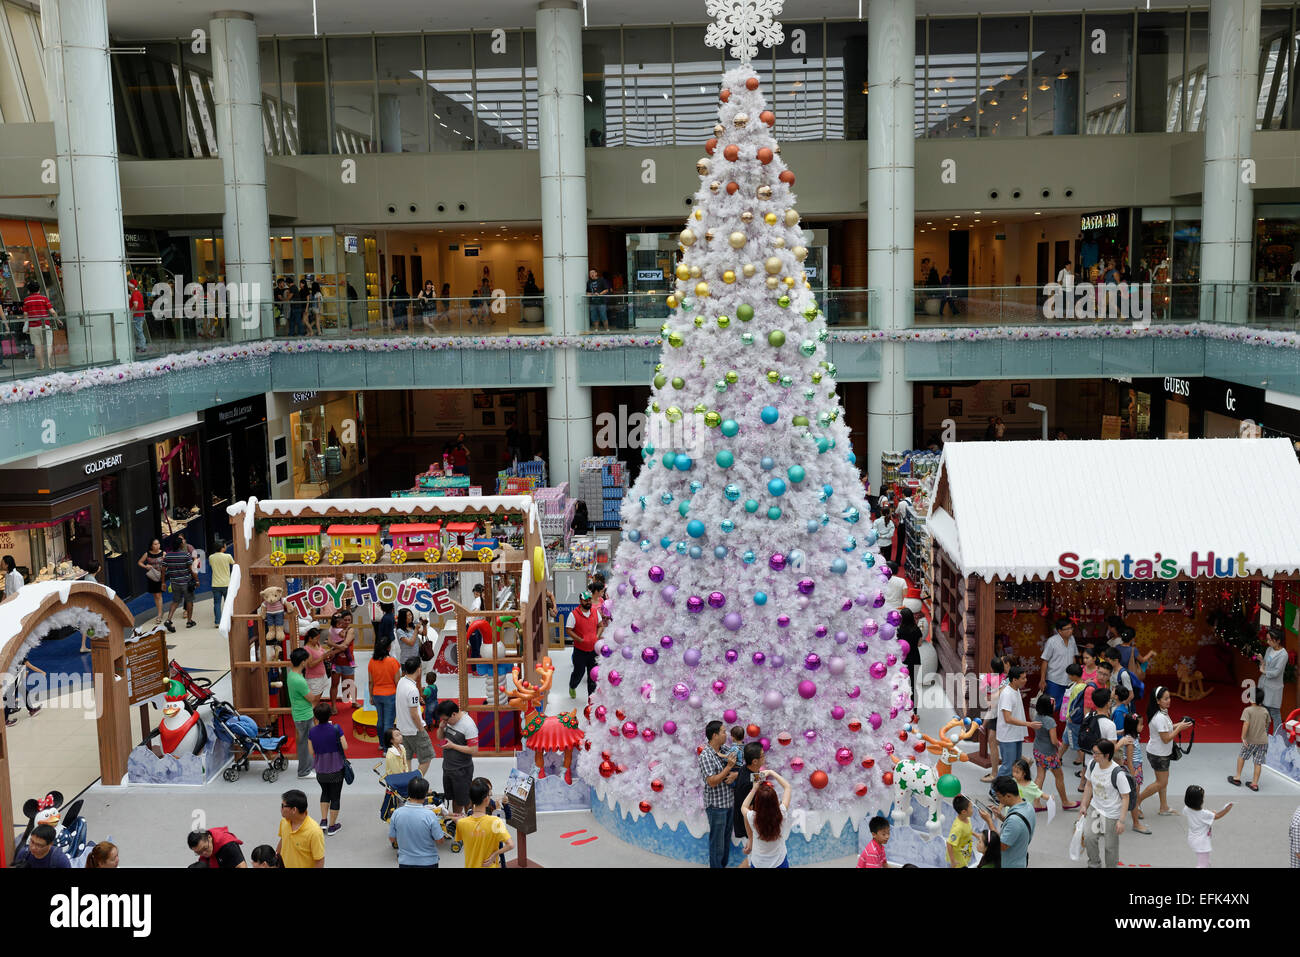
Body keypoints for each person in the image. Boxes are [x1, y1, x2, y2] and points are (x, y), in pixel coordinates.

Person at [1137, 686, 1193, 817]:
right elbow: (1166, 738)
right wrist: (1179, 728)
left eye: (1169, 698)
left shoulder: (1162, 712)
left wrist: (1179, 724)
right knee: (1161, 782)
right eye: (1165, 698)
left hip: (1159, 752)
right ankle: (1137, 801)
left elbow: (1166, 728)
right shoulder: (1160, 717)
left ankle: (1164, 807)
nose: (1169, 701)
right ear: (1158, 700)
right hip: (1159, 754)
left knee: (1162, 781)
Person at [1080, 739, 1129, 868]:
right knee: (1089, 837)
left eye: (1097, 753)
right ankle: (1094, 864)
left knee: (1110, 846)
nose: (1093, 755)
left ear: (1107, 755)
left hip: (1111, 813)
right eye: (1093, 752)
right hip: (1095, 807)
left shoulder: (1117, 773)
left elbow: (1125, 797)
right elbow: (1089, 785)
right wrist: (1084, 804)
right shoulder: (1092, 764)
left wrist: (1122, 821)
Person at [699, 719, 739, 868]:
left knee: (726, 840)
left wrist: (735, 774)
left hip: (729, 803)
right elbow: (712, 782)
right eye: (723, 732)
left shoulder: (724, 750)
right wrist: (728, 768)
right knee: (717, 844)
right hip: (716, 806)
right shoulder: (706, 756)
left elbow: (738, 766)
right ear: (715, 735)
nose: (726, 734)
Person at [993, 667, 1039, 796]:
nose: (1026, 680)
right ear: (1014, 680)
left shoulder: (1016, 689)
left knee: (1015, 766)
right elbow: (1007, 718)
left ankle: (1008, 792)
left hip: (1015, 735)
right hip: (1008, 736)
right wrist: (1028, 724)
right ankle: (994, 791)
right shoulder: (1007, 694)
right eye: (1023, 678)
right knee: (1008, 767)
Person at [306, 701, 348, 835]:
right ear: (330, 715)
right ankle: (332, 826)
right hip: (336, 769)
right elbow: (345, 746)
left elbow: (311, 752)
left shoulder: (312, 732)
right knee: (335, 797)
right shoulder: (336, 729)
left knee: (325, 793)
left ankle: (323, 820)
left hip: (320, 769)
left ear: (316, 716)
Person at [454, 778, 514, 868]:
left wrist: (505, 806)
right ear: (486, 798)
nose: (490, 795)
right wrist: (495, 854)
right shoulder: (495, 821)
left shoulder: (461, 823)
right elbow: (510, 844)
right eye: (489, 793)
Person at [1032, 693, 1077, 811]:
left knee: (1040, 776)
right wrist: (1059, 744)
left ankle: (1036, 802)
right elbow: (1053, 740)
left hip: (1038, 749)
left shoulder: (1037, 717)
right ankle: (1065, 801)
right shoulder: (1050, 721)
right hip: (1049, 754)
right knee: (1059, 777)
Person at [389, 774, 444, 867]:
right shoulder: (430, 815)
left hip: (405, 862)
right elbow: (440, 841)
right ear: (425, 794)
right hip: (428, 862)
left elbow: (392, 838)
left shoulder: (397, 813)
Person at [741, 769, 793, 868]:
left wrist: (754, 789)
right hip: (779, 862)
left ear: (758, 802)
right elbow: (787, 787)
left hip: (758, 863)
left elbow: (744, 806)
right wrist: (771, 772)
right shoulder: (782, 813)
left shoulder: (753, 817)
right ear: (775, 800)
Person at [435, 698, 479, 815]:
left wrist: (453, 746)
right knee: (455, 798)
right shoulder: (448, 722)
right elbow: (440, 738)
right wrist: (441, 727)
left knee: (464, 798)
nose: (445, 722)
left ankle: (470, 821)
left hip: (462, 770)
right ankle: (458, 823)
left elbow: (474, 750)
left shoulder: (468, 725)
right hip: (448, 767)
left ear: (454, 714)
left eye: (446, 719)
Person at [1229, 687, 1270, 791]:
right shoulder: (1265, 711)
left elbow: (1246, 724)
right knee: (1258, 762)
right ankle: (1254, 784)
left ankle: (1237, 777)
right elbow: (1266, 724)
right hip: (1263, 741)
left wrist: (1243, 737)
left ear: (1251, 699)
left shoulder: (1248, 710)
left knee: (1242, 756)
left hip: (1250, 740)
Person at [397, 656, 432, 775]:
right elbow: (414, 714)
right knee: (426, 758)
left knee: (407, 759)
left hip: (402, 728)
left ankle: (408, 783)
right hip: (414, 730)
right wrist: (421, 729)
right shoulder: (412, 690)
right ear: (419, 670)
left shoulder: (402, 681)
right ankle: (417, 784)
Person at [1183, 785, 1232, 868]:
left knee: (1205, 861)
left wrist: (1209, 812)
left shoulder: (1186, 809)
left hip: (1193, 838)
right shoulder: (1204, 814)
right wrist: (1227, 809)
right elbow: (1217, 816)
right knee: (1202, 865)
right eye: (1203, 797)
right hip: (1201, 842)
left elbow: (1199, 814)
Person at [992, 773, 1035, 868]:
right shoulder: (1028, 806)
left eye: (999, 796)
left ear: (1008, 796)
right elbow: (1018, 828)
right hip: (1021, 859)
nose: (999, 800)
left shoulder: (1014, 821)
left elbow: (1002, 846)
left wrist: (989, 822)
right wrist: (1001, 816)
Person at [287, 647, 317, 779]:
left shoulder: (292, 674)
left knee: (304, 742)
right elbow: (311, 698)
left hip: (299, 714)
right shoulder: (299, 680)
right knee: (305, 743)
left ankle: (307, 767)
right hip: (304, 715)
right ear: (303, 662)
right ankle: (304, 771)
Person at [276, 789, 325, 868]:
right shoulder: (284, 822)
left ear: (294, 810)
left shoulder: (314, 832)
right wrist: (276, 858)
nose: (281, 809)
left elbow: (319, 860)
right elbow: (283, 840)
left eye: (283, 806)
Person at [565, 590, 601, 698]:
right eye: (586, 600)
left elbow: (601, 625)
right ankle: (572, 686)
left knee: (593, 675)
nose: (588, 602)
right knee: (578, 673)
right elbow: (568, 629)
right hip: (580, 651)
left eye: (589, 599)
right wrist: (578, 639)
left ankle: (591, 698)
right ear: (581, 601)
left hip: (593, 650)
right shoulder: (574, 614)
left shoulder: (595, 612)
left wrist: (597, 636)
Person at [731, 741, 764, 855]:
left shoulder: (747, 769)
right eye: (762, 756)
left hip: (751, 822)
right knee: (753, 857)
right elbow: (747, 814)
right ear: (754, 761)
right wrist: (751, 838)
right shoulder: (747, 783)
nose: (764, 758)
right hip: (748, 826)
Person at [979, 656, 1008, 783]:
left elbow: (982, 690)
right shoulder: (1006, 679)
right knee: (1000, 740)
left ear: (991, 667)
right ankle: (1023, 760)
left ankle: (994, 773)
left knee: (993, 741)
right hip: (1004, 709)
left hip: (995, 708)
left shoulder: (988, 678)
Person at [1119, 714, 1149, 835]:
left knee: (1133, 797)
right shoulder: (1130, 741)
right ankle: (1136, 823)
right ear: (1133, 726)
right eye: (1140, 724)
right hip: (1133, 770)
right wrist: (1133, 778)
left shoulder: (1133, 737)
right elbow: (1130, 761)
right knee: (1134, 797)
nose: (1143, 726)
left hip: (1136, 768)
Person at [368, 635, 401, 742]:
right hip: (390, 695)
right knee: (389, 722)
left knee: (380, 721)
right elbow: (397, 682)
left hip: (377, 694)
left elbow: (370, 682)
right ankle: (387, 748)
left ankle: (381, 743)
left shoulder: (372, 662)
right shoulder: (393, 662)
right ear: (388, 648)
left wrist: (371, 696)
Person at [1039, 617, 1077, 706]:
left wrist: (1076, 674)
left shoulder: (1072, 639)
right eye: (1067, 629)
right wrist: (1042, 679)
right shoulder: (1051, 642)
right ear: (1059, 631)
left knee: (1066, 706)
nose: (1070, 631)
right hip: (1054, 679)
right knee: (1052, 706)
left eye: (1071, 628)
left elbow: (1073, 657)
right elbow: (1045, 661)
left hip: (1069, 679)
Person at [162, 535, 197, 632]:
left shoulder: (168, 556)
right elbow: (192, 569)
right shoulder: (186, 555)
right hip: (186, 583)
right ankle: (189, 621)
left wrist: (163, 582)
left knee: (175, 601)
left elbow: (163, 570)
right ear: (181, 545)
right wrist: (197, 580)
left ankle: (168, 620)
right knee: (189, 601)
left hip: (174, 583)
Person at [20, 281, 57, 371]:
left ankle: (41, 366)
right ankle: (48, 365)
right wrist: (57, 319)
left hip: (33, 327)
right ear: (39, 289)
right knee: (48, 345)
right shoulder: (44, 299)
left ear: (29, 291)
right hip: (45, 326)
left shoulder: (26, 300)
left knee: (37, 347)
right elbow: (52, 312)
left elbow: (25, 314)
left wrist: (26, 324)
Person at [325, 611, 356, 710]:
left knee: (350, 683)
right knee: (334, 684)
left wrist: (333, 651)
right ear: (341, 620)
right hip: (336, 662)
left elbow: (345, 646)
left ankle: (354, 702)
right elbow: (328, 642)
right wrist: (335, 646)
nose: (347, 622)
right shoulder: (334, 629)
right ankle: (333, 705)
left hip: (347, 661)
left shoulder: (350, 630)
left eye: (349, 620)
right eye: (345, 620)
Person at [1261, 626, 1288, 734]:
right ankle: (1264, 736)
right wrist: (1261, 661)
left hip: (1274, 688)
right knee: (1265, 712)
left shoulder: (1283, 654)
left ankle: (1277, 737)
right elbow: (1266, 665)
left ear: (1278, 641)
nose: (1268, 642)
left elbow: (1276, 672)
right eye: (1267, 639)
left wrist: (1264, 672)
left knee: (1275, 713)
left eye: (1270, 640)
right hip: (1264, 685)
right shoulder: (1269, 649)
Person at [3, 655, 43, 726]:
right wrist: (42, 672)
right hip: (13, 680)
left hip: (13, 679)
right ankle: (4, 720)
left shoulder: (13, 656)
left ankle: (31, 710)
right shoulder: (20, 656)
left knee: (24, 692)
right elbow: (30, 666)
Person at [1061, 662, 1087, 768]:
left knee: (1075, 743)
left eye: (1069, 675)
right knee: (1066, 740)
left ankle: (1085, 763)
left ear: (1074, 676)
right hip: (1072, 719)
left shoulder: (1077, 687)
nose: (1068, 677)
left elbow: (1075, 705)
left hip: (1073, 720)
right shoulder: (1082, 685)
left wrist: (1071, 716)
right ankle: (1058, 757)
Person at [899, 607, 923, 711]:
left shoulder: (899, 631)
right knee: (914, 685)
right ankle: (915, 710)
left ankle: (903, 707)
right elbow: (919, 644)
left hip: (903, 660)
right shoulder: (916, 629)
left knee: (902, 684)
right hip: (915, 658)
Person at [208, 539, 233, 626]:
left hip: (215, 584)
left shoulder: (211, 557)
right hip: (227, 583)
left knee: (217, 603)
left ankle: (217, 622)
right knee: (227, 603)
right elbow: (233, 564)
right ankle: (228, 621)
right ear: (222, 548)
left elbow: (212, 565)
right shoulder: (228, 556)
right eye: (225, 545)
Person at [946, 795, 975, 868]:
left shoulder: (967, 819)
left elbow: (967, 830)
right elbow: (949, 843)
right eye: (971, 807)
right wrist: (953, 861)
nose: (973, 809)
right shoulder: (958, 828)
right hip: (958, 859)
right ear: (964, 811)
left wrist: (976, 835)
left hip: (964, 854)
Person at [302, 627, 328, 700]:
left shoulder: (317, 644)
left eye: (318, 638)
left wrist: (327, 655)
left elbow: (322, 651)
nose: (317, 641)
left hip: (322, 673)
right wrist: (322, 657)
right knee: (314, 698)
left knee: (320, 692)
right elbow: (310, 665)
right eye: (316, 638)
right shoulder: (306, 649)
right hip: (313, 677)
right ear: (310, 638)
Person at [129, 277, 147, 353]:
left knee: (138, 331)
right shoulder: (137, 293)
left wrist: (131, 311)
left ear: (131, 286)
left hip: (138, 315)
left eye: (129, 285)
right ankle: (139, 346)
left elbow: (135, 305)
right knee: (138, 331)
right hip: (140, 315)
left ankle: (142, 347)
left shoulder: (135, 294)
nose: (128, 287)